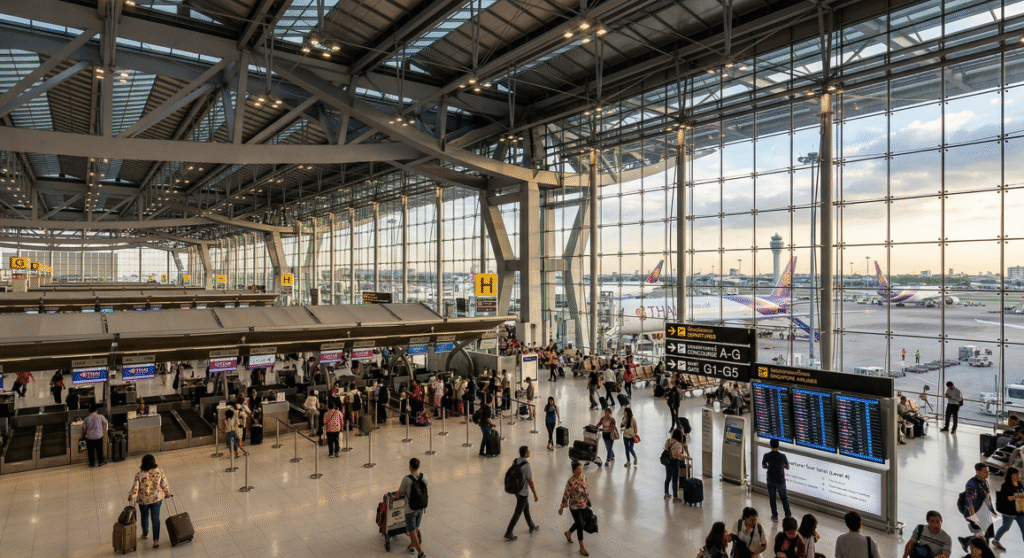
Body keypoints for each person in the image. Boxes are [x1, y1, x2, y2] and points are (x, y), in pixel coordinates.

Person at [127, 454, 173, 548]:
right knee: (155, 518)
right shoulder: (159, 471)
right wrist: (167, 493)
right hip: (156, 498)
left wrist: (131, 496)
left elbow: (135, 488)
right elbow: (164, 483)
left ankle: (145, 534)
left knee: (144, 517)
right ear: (154, 462)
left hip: (143, 500)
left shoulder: (139, 474)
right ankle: (156, 540)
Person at [504, 445, 540, 540]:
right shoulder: (527, 465)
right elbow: (530, 481)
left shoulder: (515, 461)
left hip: (516, 490)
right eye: (528, 451)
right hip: (523, 492)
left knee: (526, 508)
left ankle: (531, 525)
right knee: (518, 512)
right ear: (525, 454)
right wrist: (535, 494)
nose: (530, 452)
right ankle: (508, 532)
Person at [960, 463, 998, 549]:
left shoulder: (985, 482)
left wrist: (992, 510)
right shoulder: (972, 484)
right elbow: (969, 502)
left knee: (984, 535)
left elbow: (987, 498)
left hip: (983, 512)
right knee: (984, 538)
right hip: (975, 513)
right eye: (985, 472)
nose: (987, 474)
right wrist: (973, 516)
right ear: (977, 472)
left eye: (988, 471)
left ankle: (965, 541)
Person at [559, 460, 592, 557]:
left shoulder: (584, 478)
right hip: (574, 506)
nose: (580, 471)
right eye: (578, 469)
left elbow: (586, 489)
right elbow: (566, 495)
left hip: (583, 505)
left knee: (579, 522)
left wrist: (588, 499)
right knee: (580, 525)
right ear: (573, 471)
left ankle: (568, 533)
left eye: (581, 468)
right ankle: (582, 547)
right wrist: (562, 507)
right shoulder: (570, 482)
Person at [395, 458, 427, 558]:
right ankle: (412, 546)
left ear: (410, 467)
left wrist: (394, 497)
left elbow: (399, 493)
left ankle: (420, 552)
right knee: (416, 528)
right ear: (418, 466)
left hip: (410, 509)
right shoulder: (424, 477)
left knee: (411, 531)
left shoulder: (407, 479)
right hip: (421, 507)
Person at [992, 466, 1024, 550]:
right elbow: (1008, 498)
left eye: (1019, 474)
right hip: (1009, 512)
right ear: (1010, 475)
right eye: (1016, 475)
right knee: (1006, 527)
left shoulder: (1020, 483)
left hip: (1020, 511)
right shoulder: (1005, 485)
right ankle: (996, 540)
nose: (1018, 476)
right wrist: (1020, 495)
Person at [761, 438, 792, 520]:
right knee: (784, 498)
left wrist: (769, 467)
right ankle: (788, 516)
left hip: (770, 480)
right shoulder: (782, 456)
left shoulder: (766, 455)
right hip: (780, 480)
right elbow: (787, 467)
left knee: (772, 498)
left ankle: (775, 515)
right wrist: (783, 466)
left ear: (770, 446)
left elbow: (763, 466)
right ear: (778, 446)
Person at [663, 428, 689, 502]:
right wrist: (686, 457)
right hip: (675, 462)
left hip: (667, 461)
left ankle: (666, 493)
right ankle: (675, 497)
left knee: (668, 477)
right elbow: (677, 455)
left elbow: (666, 449)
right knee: (675, 480)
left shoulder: (668, 440)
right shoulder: (678, 444)